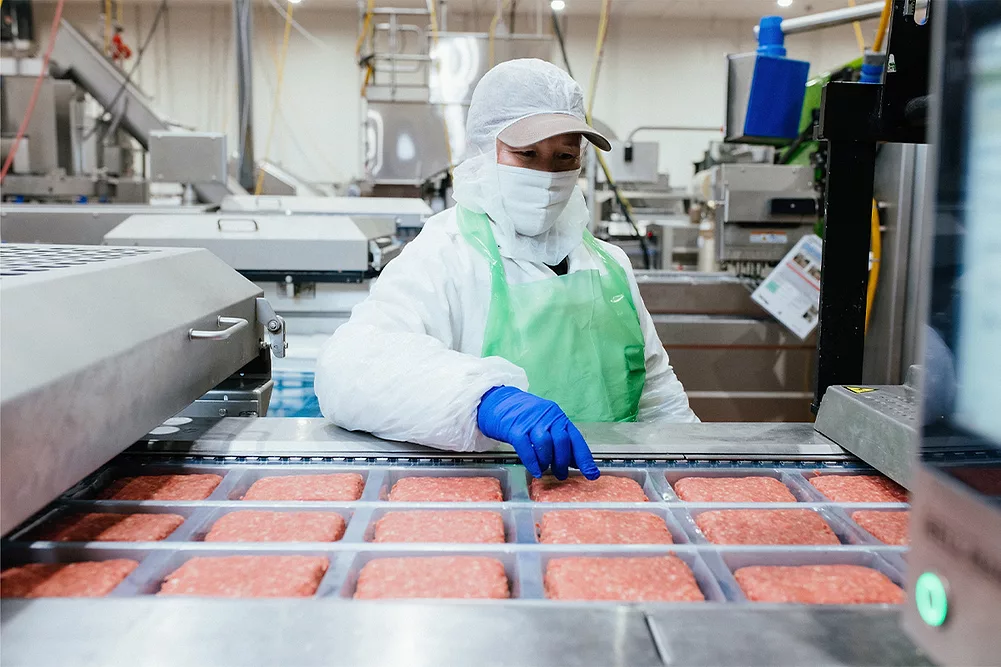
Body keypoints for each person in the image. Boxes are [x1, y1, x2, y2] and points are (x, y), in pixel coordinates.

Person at [315, 58, 697, 481]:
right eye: (527, 154)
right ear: (483, 150)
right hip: (489, 497)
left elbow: (658, 396)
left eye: (564, 156)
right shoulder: (447, 254)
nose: (547, 175)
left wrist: (692, 473)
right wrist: (484, 398)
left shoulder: (609, 266)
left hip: (607, 495)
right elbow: (349, 368)